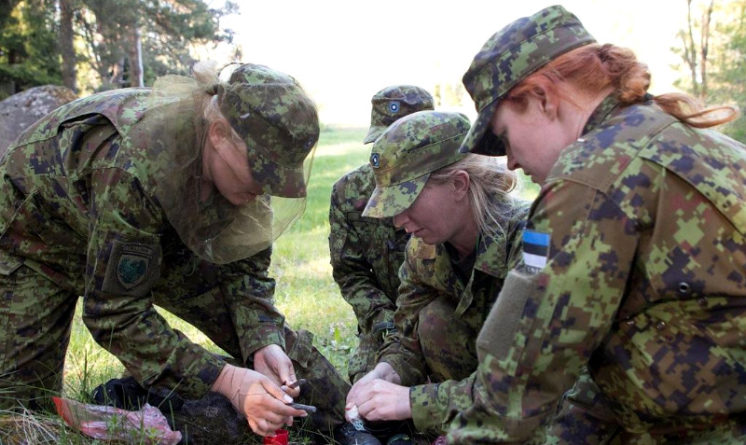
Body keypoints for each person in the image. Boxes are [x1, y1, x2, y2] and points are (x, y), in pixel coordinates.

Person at [0, 61, 374, 444]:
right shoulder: (136, 163)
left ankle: (357, 424)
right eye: (260, 173)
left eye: (276, 178)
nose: (265, 190)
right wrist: (226, 380)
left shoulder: (245, 176)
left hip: (157, 233)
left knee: (313, 387)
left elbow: (244, 273)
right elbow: (115, 313)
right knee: (18, 409)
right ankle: (137, 396)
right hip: (41, 241)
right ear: (218, 134)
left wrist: (264, 339)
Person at [451, 5, 746, 444]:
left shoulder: (590, 173)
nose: (510, 160)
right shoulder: (687, 137)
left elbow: (522, 372)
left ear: (542, 97)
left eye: (506, 135)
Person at [345, 110, 528, 441]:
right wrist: (389, 371)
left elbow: (529, 379)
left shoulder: (528, 241)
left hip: (538, 403)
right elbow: (408, 333)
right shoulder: (424, 249)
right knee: (434, 320)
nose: (398, 220)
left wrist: (415, 402)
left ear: (459, 184)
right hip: (476, 397)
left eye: (406, 201)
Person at [329, 85, 434, 385]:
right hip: (383, 320)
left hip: (437, 316)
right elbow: (351, 273)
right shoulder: (349, 193)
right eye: (385, 143)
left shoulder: (446, 189)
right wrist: (384, 322)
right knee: (371, 388)